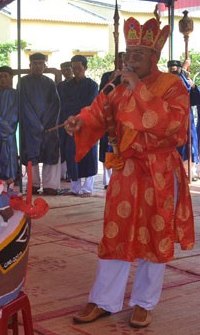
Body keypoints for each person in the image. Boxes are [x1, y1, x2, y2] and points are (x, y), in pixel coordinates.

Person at [66, 17, 194, 328]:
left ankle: (143, 303)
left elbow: (174, 125)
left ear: (155, 57)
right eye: (128, 54)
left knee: (154, 234)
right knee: (115, 233)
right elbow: (98, 111)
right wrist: (80, 122)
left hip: (159, 171)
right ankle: (104, 300)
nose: (130, 60)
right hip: (127, 170)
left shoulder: (172, 85)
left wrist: (139, 90)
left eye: (137, 55)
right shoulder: (118, 86)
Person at [18, 52, 62, 195]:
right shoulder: (23, 82)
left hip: (48, 126)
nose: (37, 66)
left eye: (40, 64)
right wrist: (35, 123)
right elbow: (23, 104)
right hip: (30, 127)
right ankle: (33, 184)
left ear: (45, 66)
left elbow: (55, 105)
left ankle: (50, 185)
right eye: (35, 63)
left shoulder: (49, 83)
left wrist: (46, 123)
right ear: (30, 65)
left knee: (50, 153)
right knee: (31, 156)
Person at [58, 55, 98, 196]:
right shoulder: (66, 86)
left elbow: (90, 104)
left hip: (87, 125)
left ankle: (87, 188)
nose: (75, 71)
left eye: (78, 68)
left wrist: (78, 117)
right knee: (72, 155)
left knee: (88, 156)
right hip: (71, 125)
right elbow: (65, 104)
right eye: (73, 68)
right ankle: (75, 187)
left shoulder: (92, 85)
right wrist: (69, 120)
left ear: (85, 68)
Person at [168, 59, 200, 181]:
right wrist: (185, 67)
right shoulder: (167, 81)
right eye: (172, 69)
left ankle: (190, 171)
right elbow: (178, 84)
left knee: (189, 142)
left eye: (176, 69)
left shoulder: (185, 79)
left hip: (186, 116)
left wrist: (192, 87)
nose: (173, 71)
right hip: (170, 116)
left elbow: (194, 97)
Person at [99, 52, 126, 188]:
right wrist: (111, 79)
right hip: (110, 117)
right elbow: (102, 94)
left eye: (123, 60)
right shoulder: (107, 75)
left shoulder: (131, 76)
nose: (121, 62)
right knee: (108, 148)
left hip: (125, 118)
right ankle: (109, 180)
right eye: (118, 60)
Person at [57, 61, 74, 181]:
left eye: (68, 69)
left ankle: (71, 173)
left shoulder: (77, 84)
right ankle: (62, 173)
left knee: (71, 148)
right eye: (63, 70)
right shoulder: (59, 86)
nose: (66, 72)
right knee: (61, 146)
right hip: (61, 120)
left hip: (74, 121)